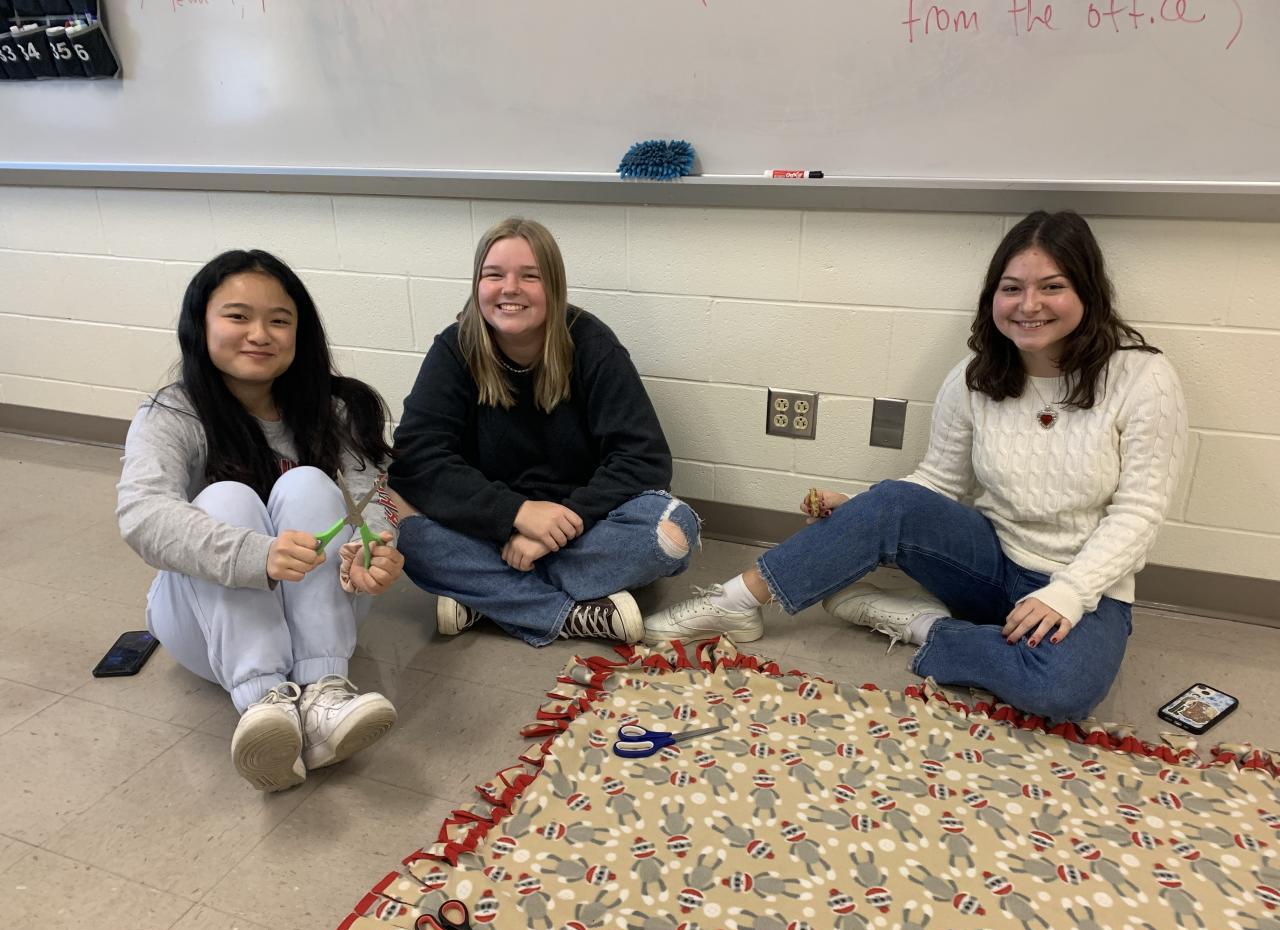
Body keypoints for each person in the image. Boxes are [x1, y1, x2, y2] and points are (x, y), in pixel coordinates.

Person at [644, 210, 1187, 722]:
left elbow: (1139, 513)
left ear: (1087, 292)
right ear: (992, 297)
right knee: (892, 501)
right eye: (1011, 288)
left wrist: (1068, 593)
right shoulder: (975, 376)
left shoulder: (1143, 377)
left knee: (1061, 690)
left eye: (1052, 286)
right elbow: (936, 483)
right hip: (990, 563)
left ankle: (923, 625)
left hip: (1087, 584)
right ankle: (735, 603)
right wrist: (860, 511)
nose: (1029, 305)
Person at [117, 250, 403, 792]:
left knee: (308, 483)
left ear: (300, 332)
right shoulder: (171, 414)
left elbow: (375, 501)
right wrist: (257, 554)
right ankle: (263, 702)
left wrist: (379, 549)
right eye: (237, 316)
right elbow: (141, 515)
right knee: (225, 498)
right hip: (208, 628)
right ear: (201, 325)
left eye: (279, 320)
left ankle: (322, 695)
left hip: (324, 619)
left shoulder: (338, 407)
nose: (259, 334)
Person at [388, 217, 699, 647]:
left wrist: (555, 531)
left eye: (529, 276)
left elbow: (643, 459)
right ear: (477, 284)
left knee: (674, 529)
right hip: (489, 525)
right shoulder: (455, 348)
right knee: (404, 530)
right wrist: (516, 514)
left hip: (582, 523)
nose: (510, 288)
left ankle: (486, 597)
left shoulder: (592, 344)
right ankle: (570, 614)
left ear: (554, 286)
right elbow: (416, 458)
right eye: (494, 275)